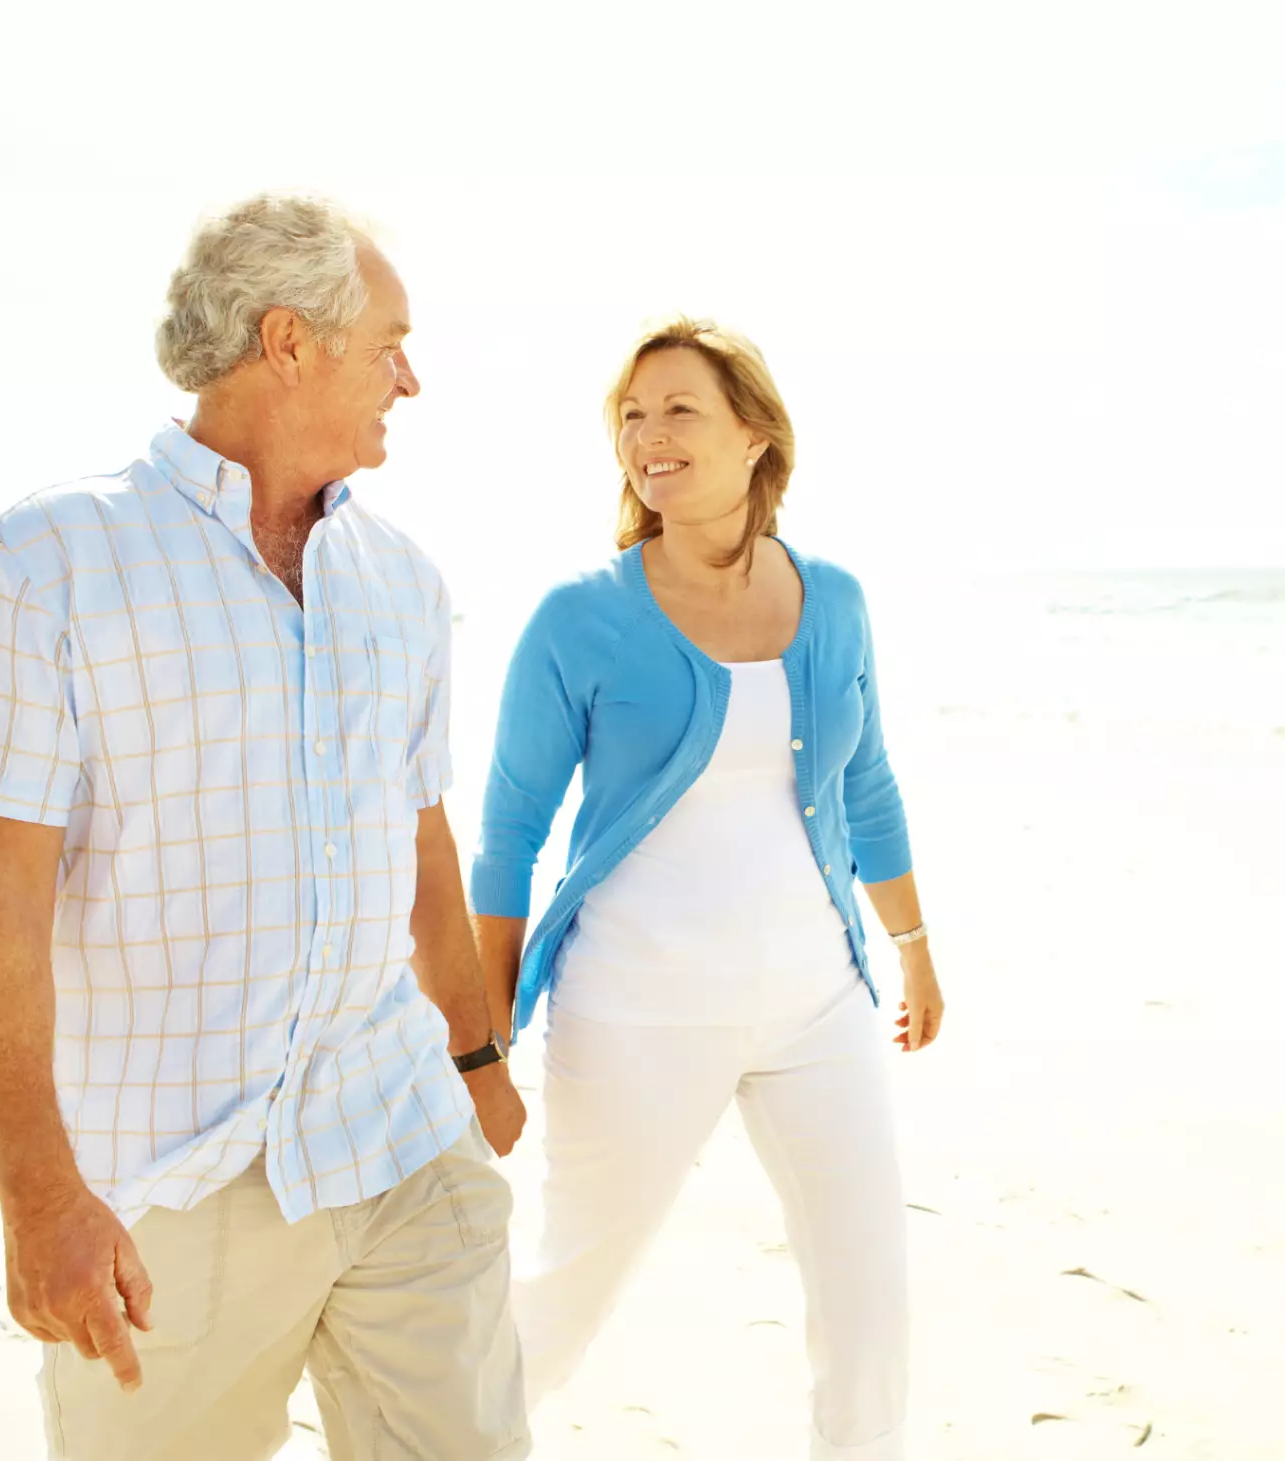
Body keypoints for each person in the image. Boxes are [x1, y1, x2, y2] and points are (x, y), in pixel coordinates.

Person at [0, 194, 529, 1461]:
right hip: (169, 1196)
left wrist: (476, 1066)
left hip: (401, 1140)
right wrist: (38, 1197)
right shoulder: (44, 562)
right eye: (388, 344)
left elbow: (423, 844)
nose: (409, 380)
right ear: (289, 341)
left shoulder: (404, 582)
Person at [471, 317, 945, 1460]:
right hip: (633, 1012)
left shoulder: (832, 601)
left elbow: (866, 779)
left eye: (678, 410)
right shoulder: (576, 618)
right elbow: (507, 838)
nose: (648, 437)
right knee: (570, 1293)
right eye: (631, 417)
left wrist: (913, 947)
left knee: (869, 1303)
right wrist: (483, 1038)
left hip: (817, 1006)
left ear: (753, 436)